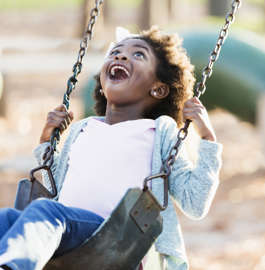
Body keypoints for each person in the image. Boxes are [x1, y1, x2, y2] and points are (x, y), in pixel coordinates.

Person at [0, 26, 222, 270]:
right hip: (63, 233)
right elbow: (49, 188)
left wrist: (208, 137)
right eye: (115, 52)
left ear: (158, 88)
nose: (120, 56)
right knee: (7, 218)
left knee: (47, 211)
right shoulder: (82, 129)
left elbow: (195, 203)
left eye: (138, 54)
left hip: (117, 238)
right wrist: (45, 143)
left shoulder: (160, 132)